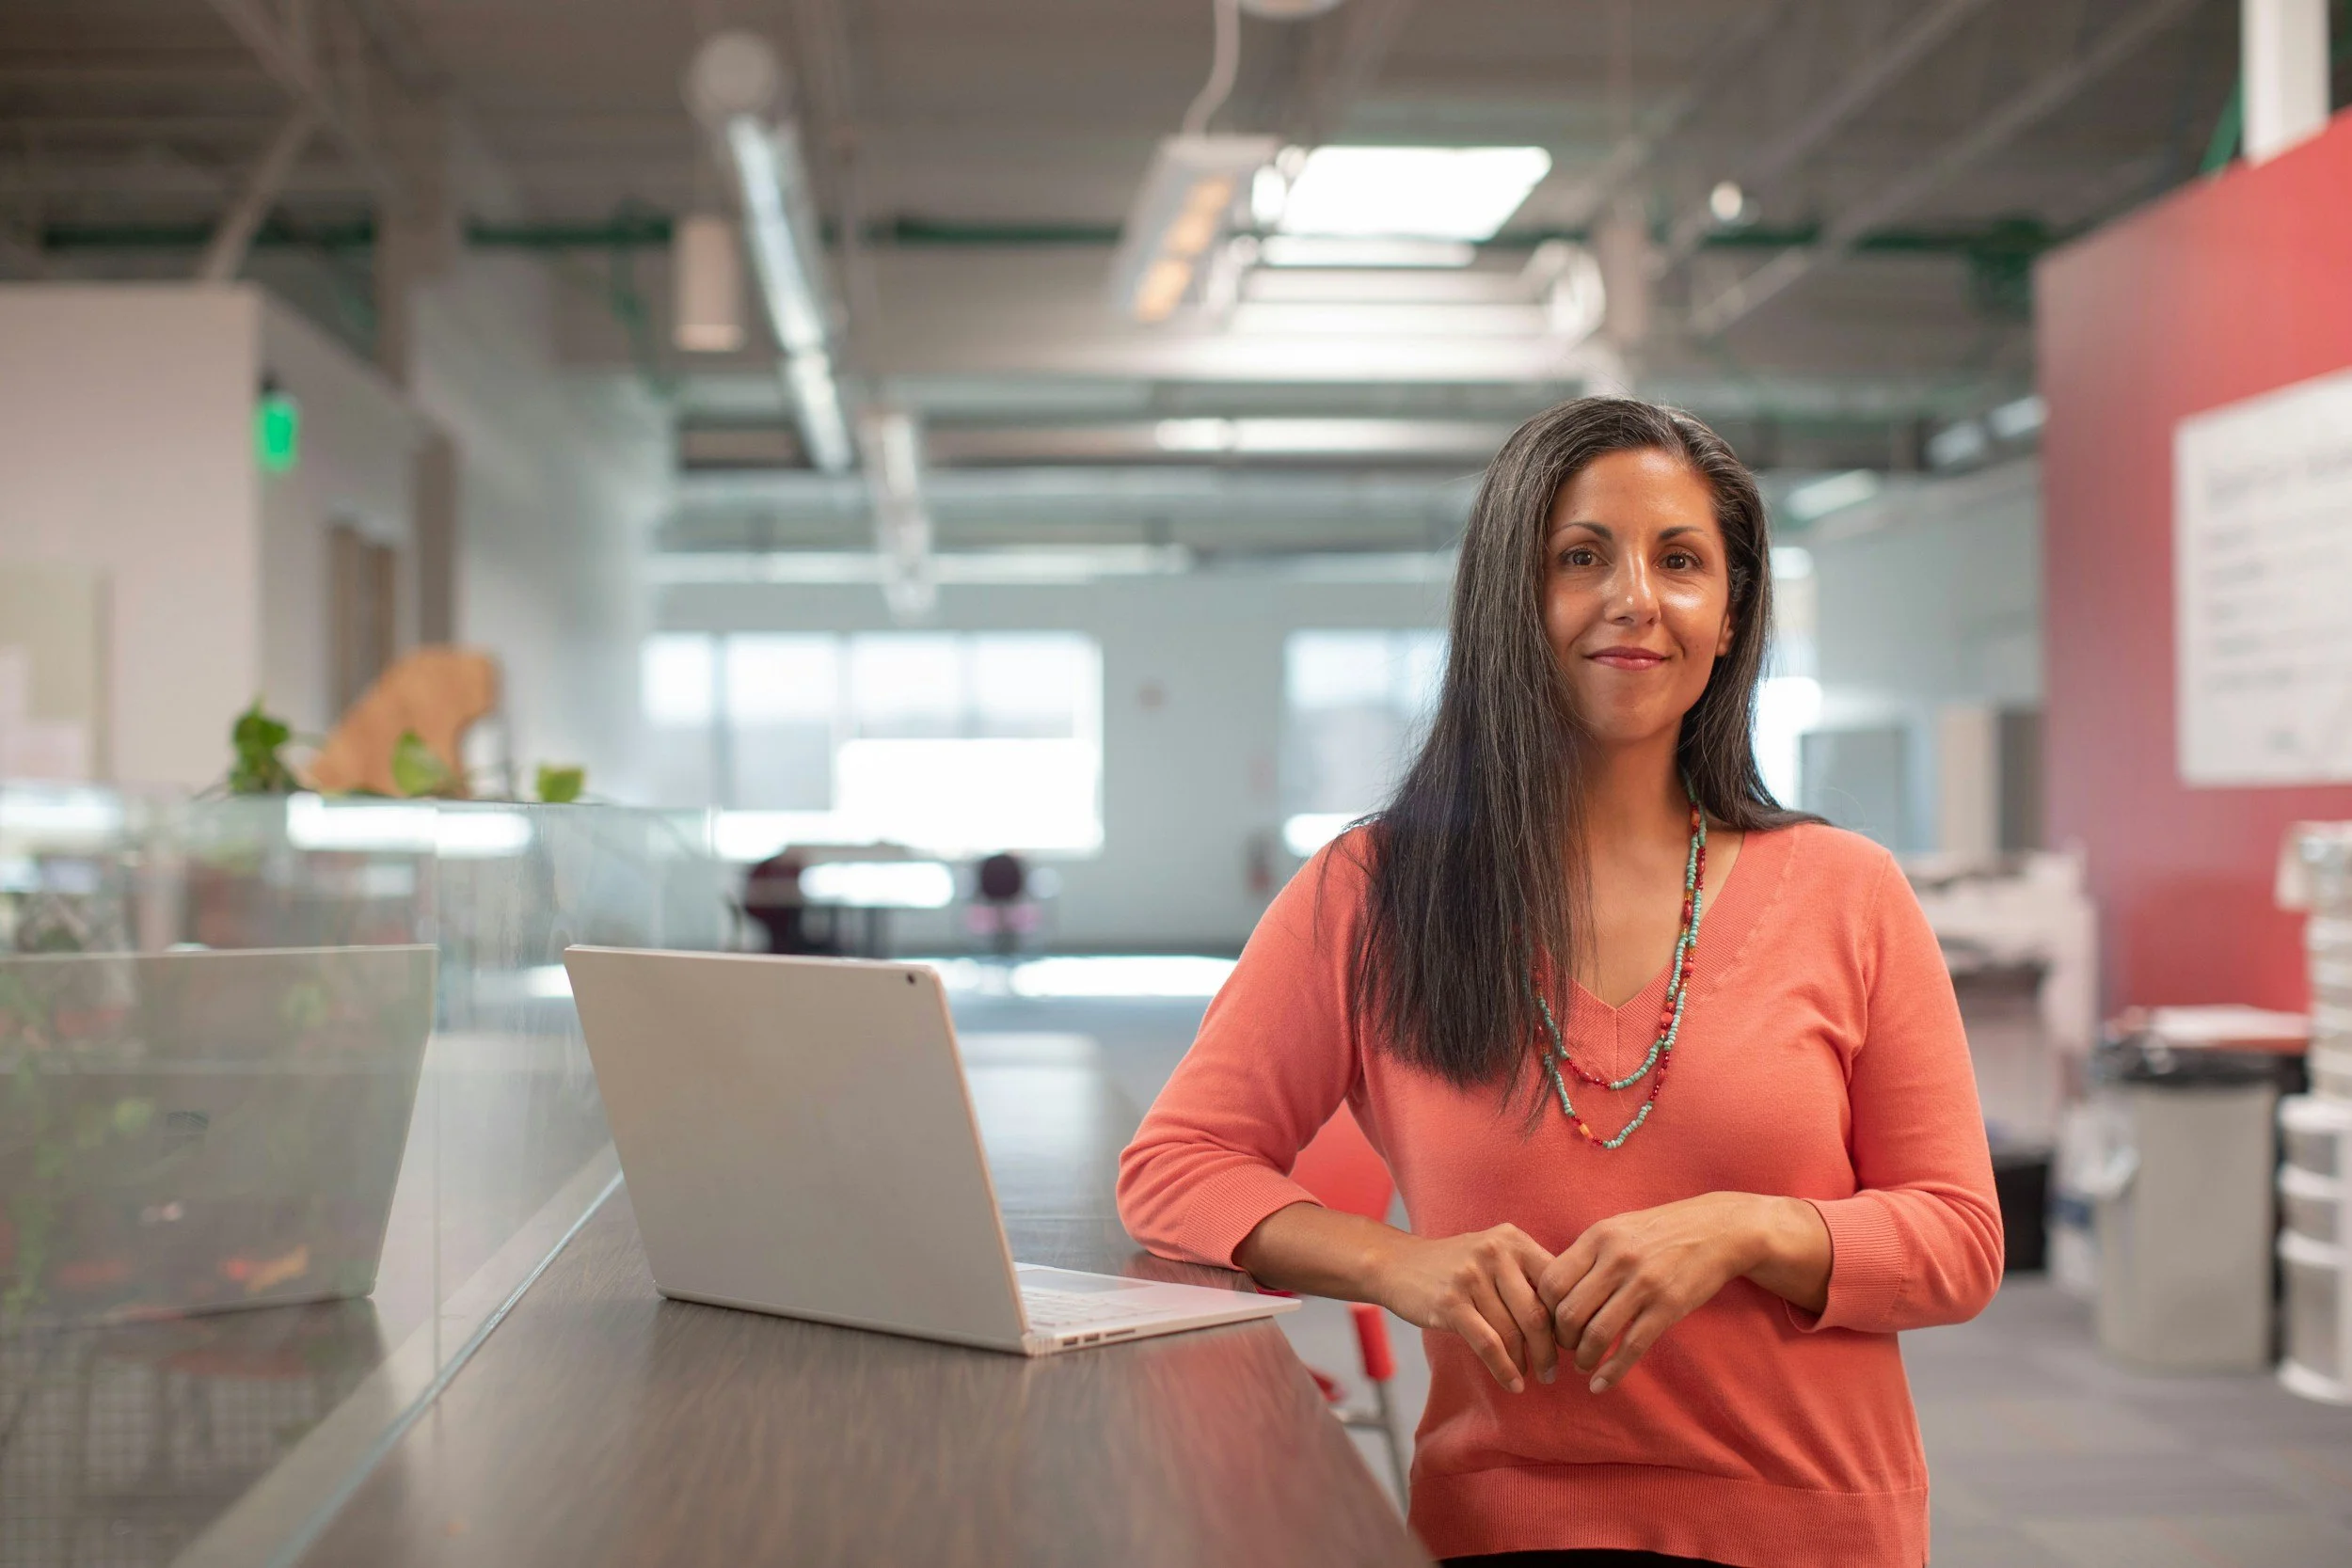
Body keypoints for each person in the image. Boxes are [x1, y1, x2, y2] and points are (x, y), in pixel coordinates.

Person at [1117, 398, 2000, 1568]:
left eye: (1680, 560)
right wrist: (1395, 1261)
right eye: (1581, 556)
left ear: (1729, 616)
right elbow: (1174, 1168)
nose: (1635, 596)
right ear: (1511, 603)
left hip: (1808, 1525)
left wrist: (1746, 1229)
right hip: (1501, 1526)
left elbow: (1958, 1239)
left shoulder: (1848, 889)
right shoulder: (1374, 889)